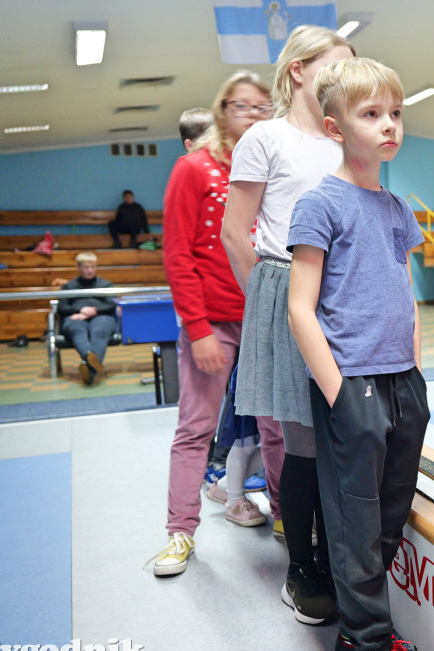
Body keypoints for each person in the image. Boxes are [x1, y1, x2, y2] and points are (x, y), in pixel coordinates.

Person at [287, 56, 430, 651]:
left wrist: (418, 373)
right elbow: (300, 310)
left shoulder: (398, 209)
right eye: (371, 114)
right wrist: (339, 392)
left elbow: (406, 296)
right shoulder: (320, 205)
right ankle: (371, 648)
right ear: (334, 128)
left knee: (389, 515)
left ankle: (355, 634)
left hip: (403, 381)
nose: (389, 125)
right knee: (354, 521)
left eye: (395, 113)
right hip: (353, 381)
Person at [221, 25, 354, 627]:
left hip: (347, 296)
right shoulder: (265, 137)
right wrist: (271, 306)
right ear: (299, 69)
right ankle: (303, 570)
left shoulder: (344, 136)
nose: (347, 75)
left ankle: (339, 559)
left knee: (345, 435)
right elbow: (235, 232)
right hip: (287, 290)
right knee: (302, 442)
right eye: (337, 64)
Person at [148, 71, 290, 580]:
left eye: (263, 107)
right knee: (197, 427)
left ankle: (287, 520)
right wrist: (199, 327)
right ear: (222, 110)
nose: (253, 115)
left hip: (266, 317)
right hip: (213, 322)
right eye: (242, 106)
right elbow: (178, 256)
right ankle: (180, 531)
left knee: (278, 427)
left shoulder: (274, 168)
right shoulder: (195, 169)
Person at [58, 252, 115, 385]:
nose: (90, 270)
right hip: (75, 316)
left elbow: (111, 305)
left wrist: (93, 311)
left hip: (101, 316)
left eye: (93, 267)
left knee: (99, 331)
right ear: (78, 268)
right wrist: (80, 311)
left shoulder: (106, 285)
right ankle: (90, 357)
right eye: (86, 267)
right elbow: (62, 308)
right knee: (77, 329)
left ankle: (89, 367)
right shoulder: (68, 287)